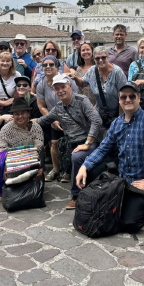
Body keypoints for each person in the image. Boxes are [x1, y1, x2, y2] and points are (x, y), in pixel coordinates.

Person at [76, 82, 144, 217]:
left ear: (139, 99)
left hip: (143, 181)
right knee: (111, 211)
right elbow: (103, 149)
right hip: (124, 180)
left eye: (132, 96)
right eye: (123, 97)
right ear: (119, 100)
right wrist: (84, 166)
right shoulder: (116, 124)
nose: (128, 100)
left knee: (131, 221)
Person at [37, 74, 103, 210]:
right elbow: (42, 120)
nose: (60, 90)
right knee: (72, 153)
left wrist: (87, 143)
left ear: (70, 86)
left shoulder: (82, 100)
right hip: (73, 143)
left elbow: (97, 121)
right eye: (57, 88)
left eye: (63, 87)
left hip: (90, 141)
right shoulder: (58, 108)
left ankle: (76, 196)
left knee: (77, 157)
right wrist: (22, 120)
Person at [37, 56, 79, 182]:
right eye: (45, 65)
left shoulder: (66, 80)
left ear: (57, 66)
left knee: (70, 143)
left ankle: (67, 171)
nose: (48, 67)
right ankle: (56, 169)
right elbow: (41, 105)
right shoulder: (41, 84)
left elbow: (76, 98)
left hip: (70, 116)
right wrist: (52, 119)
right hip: (53, 117)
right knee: (54, 143)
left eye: (51, 64)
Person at [72, 46, 127, 127]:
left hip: (117, 112)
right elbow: (83, 83)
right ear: (94, 59)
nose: (100, 60)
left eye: (103, 57)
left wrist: (120, 117)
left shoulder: (117, 72)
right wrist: (75, 78)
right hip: (100, 113)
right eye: (97, 58)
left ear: (108, 57)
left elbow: (124, 95)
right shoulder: (92, 71)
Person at [0, 97, 45, 180]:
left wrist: (41, 167)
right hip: (11, 165)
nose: (20, 116)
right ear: (13, 115)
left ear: (28, 114)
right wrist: (4, 168)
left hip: (32, 163)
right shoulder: (5, 130)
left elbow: (39, 149)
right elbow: (2, 152)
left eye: (23, 113)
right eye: (16, 114)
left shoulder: (36, 128)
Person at [69, 41, 96, 106]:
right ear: (80, 53)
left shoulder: (97, 67)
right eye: (83, 50)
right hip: (83, 103)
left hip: (97, 103)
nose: (85, 52)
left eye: (88, 49)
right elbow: (78, 89)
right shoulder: (79, 69)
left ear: (92, 51)